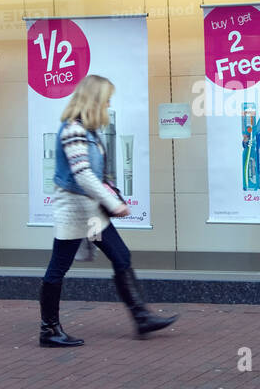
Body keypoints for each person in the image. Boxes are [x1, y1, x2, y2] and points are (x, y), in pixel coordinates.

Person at [39, 74, 177, 347]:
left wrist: (110, 193)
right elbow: (83, 175)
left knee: (121, 255)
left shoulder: (88, 130)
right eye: (107, 97)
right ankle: (48, 330)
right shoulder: (73, 130)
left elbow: (95, 175)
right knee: (58, 268)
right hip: (74, 213)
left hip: (90, 213)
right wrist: (114, 203)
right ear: (95, 99)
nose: (110, 102)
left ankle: (141, 317)